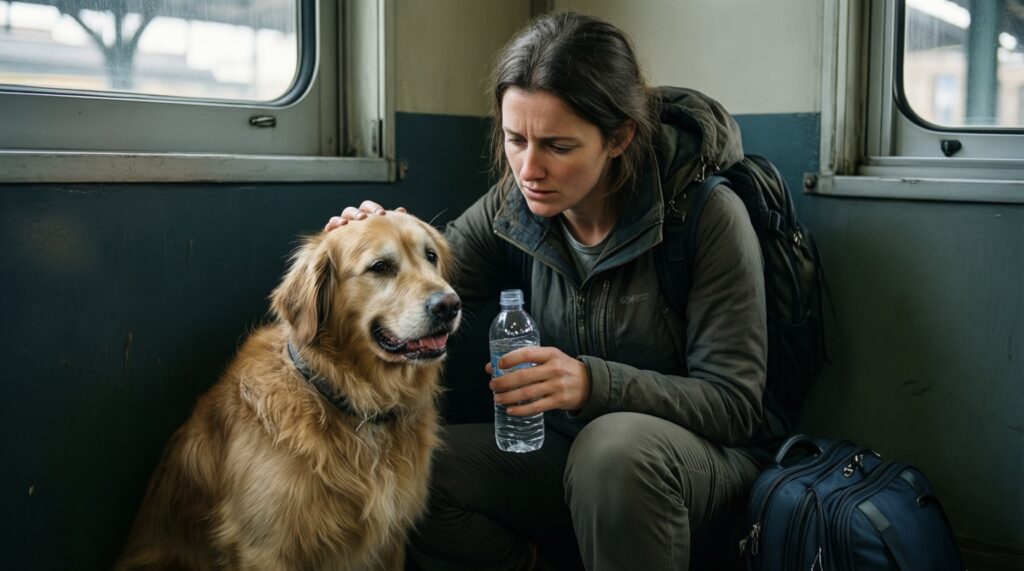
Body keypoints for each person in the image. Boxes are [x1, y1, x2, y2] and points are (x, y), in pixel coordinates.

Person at [326, 11, 774, 571]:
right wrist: (374, 240)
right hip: (561, 453)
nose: (529, 168)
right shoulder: (517, 204)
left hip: (696, 466)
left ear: (619, 137)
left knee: (612, 451)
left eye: (558, 146)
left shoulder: (708, 217)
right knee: (414, 474)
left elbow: (734, 406)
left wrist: (590, 382)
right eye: (516, 139)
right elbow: (431, 287)